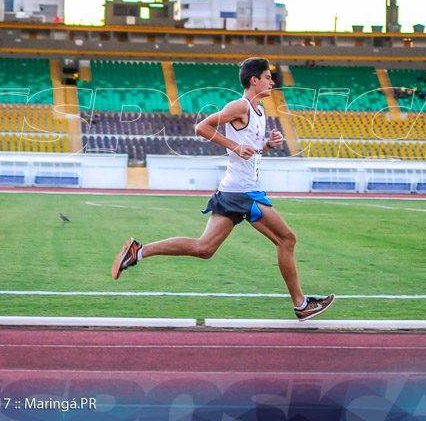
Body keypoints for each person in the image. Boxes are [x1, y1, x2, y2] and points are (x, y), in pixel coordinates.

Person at [111, 57, 335, 322]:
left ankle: (139, 251)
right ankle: (301, 304)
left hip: (235, 191)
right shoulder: (239, 105)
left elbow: (249, 151)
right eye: (268, 77)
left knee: (204, 248)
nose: (272, 82)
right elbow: (202, 127)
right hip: (243, 193)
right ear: (254, 80)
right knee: (287, 240)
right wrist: (234, 145)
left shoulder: (259, 112)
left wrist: (267, 146)